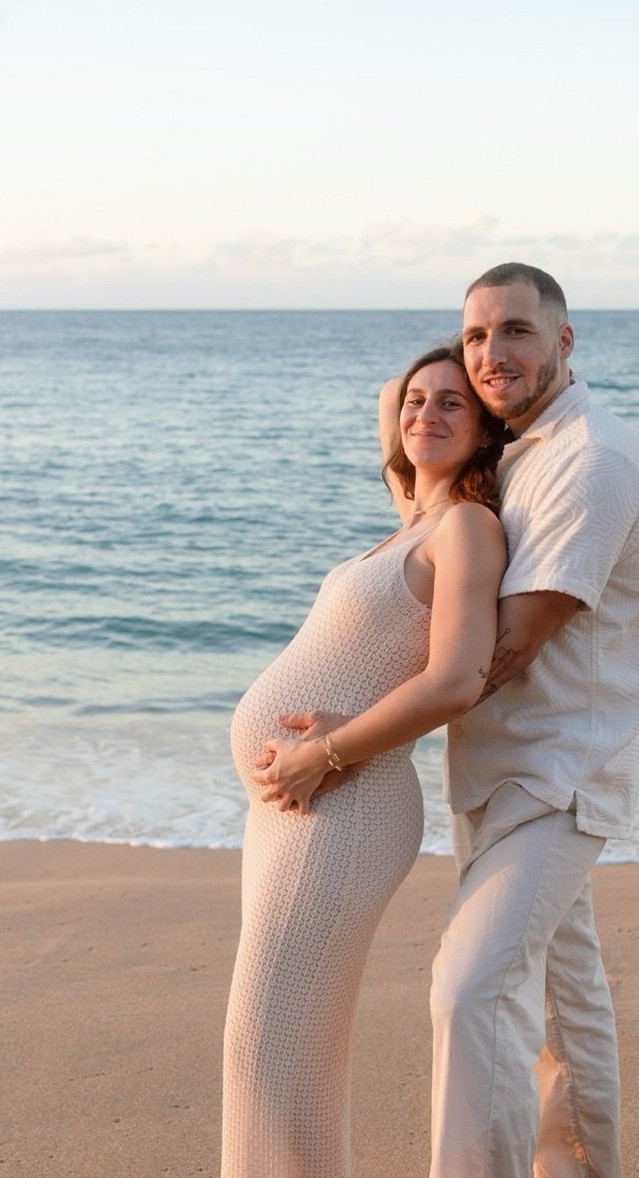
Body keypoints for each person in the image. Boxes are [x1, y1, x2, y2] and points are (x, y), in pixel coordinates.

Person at [411, 263, 639, 1178]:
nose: (492, 353)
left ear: (563, 340)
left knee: (470, 991)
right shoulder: (518, 452)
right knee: (565, 1000)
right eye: (475, 336)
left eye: (516, 330)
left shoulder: (591, 461)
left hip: (555, 779)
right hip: (500, 770)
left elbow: (506, 647)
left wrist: (343, 736)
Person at [221, 346, 508, 1178]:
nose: (423, 413)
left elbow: (457, 678)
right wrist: (436, 384)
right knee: (292, 1053)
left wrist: (324, 750)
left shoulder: (466, 527)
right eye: (417, 401)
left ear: (485, 429)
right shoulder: (411, 515)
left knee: (264, 1043)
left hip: (346, 802)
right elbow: (392, 397)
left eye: (452, 404)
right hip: (295, 807)